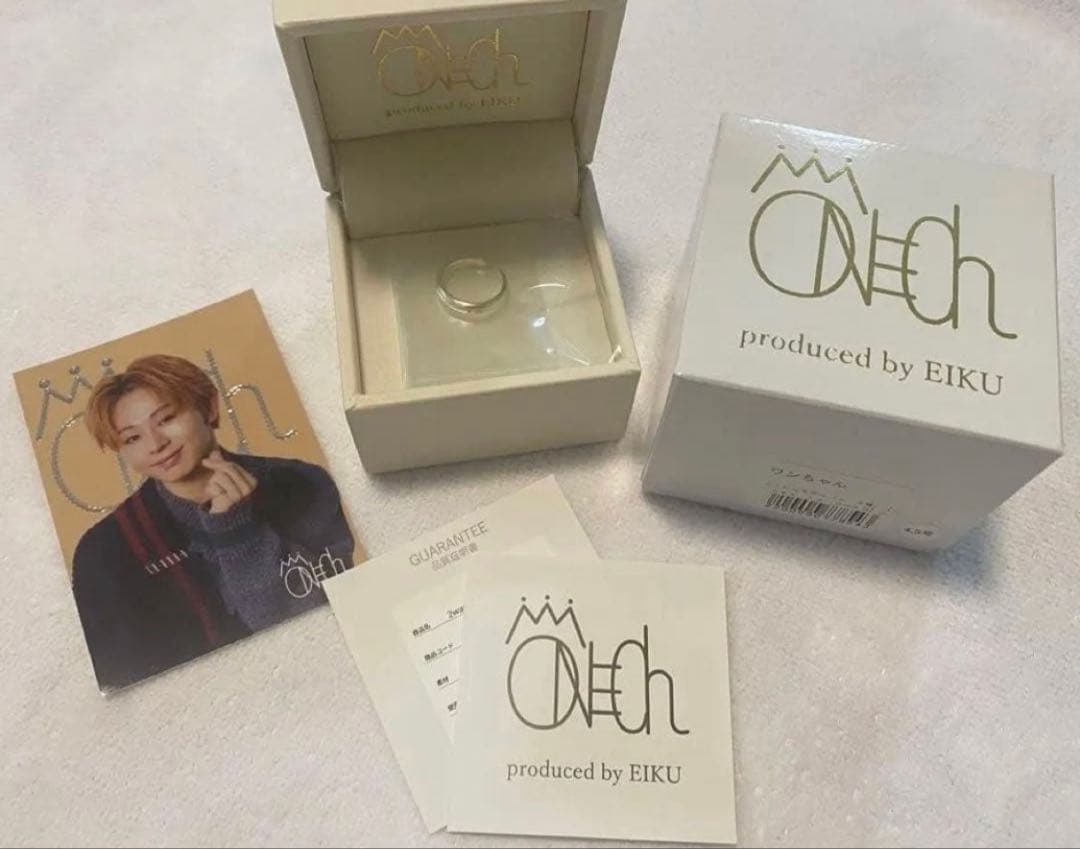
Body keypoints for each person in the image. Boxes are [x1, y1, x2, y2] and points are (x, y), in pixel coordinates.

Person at [72, 354, 355, 691]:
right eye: (132, 438)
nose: (156, 444)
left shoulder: (302, 483)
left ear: (208, 407)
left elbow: (322, 627)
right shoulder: (103, 551)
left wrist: (237, 532)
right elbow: (127, 684)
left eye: (167, 419)